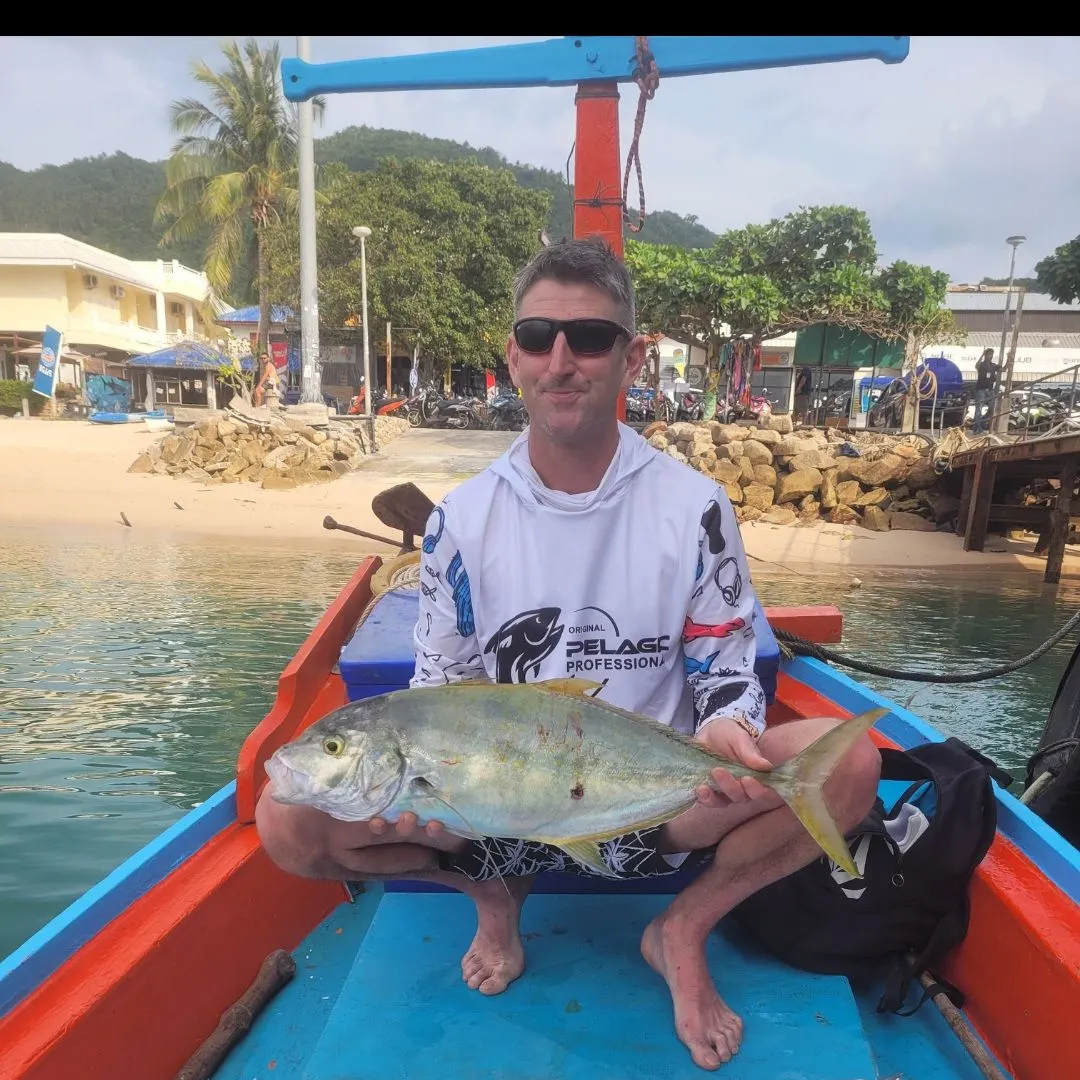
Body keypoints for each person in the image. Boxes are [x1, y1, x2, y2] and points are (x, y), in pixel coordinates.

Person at [256, 237, 881, 1071]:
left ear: (630, 357)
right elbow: (441, 688)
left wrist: (729, 730)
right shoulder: (461, 522)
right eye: (538, 336)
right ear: (513, 355)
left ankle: (682, 928)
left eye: (588, 338)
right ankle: (492, 897)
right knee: (287, 821)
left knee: (850, 763)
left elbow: (726, 667)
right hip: (488, 812)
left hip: (655, 806)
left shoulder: (693, 507)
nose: (561, 361)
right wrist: (425, 793)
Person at [972, 348, 999, 434]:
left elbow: (1003, 369)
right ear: (985, 355)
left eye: (992, 354)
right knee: (978, 409)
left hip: (990, 390)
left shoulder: (993, 365)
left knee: (992, 408)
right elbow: (976, 366)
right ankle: (977, 428)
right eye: (989, 354)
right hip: (981, 389)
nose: (990, 356)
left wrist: (1009, 359)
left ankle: (980, 423)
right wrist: (982, 355)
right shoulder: (981, 365)